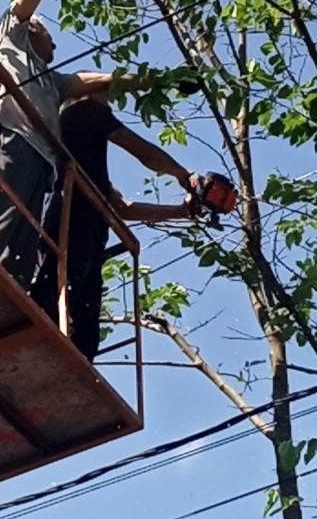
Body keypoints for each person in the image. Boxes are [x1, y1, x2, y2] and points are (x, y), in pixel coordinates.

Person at [0, 0, 131, 289]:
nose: (54, 40)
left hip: (43, 163)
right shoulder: (9, 38)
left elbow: (94, 80)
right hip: (9, 141)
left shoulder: (51, 81)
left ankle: (8, 301)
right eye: (48, 33)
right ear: (31, 31)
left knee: (22, 247)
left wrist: (155, 81)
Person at [32, 95, 198, 363]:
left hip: (88, 233)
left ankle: (78, 365)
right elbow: (142, 150)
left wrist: (182, 212)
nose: (109, 102)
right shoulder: (84, 111)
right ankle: (43, 345)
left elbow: (123, 208)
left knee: (85, 322)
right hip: (72, 221)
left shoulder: (89, 166)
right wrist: (184, 174)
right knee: (57, 292)